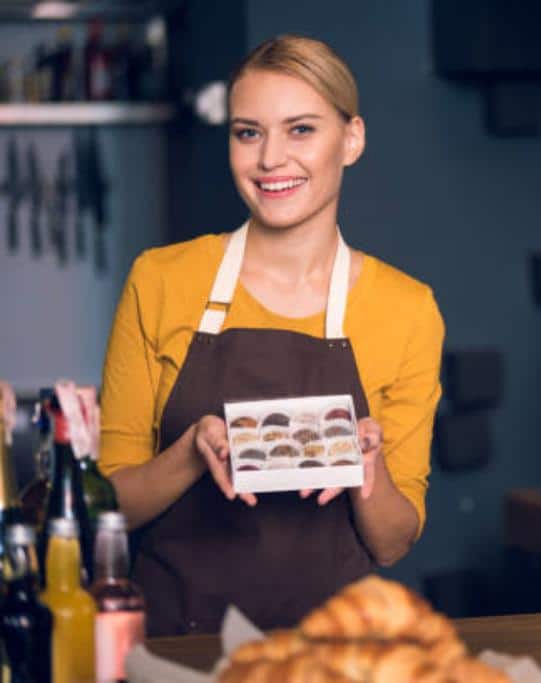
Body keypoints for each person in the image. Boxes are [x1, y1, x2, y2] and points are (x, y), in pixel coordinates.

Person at [98, 35, 444, 636]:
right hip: (173, 646)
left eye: (301, 130)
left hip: (328, 658)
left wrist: (369, 468)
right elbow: (109, 508)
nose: (269, 159)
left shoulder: (407, 308)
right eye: (248, 132)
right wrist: (190, 453)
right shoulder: (160, 280)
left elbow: (393, 542)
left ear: (352, 139)